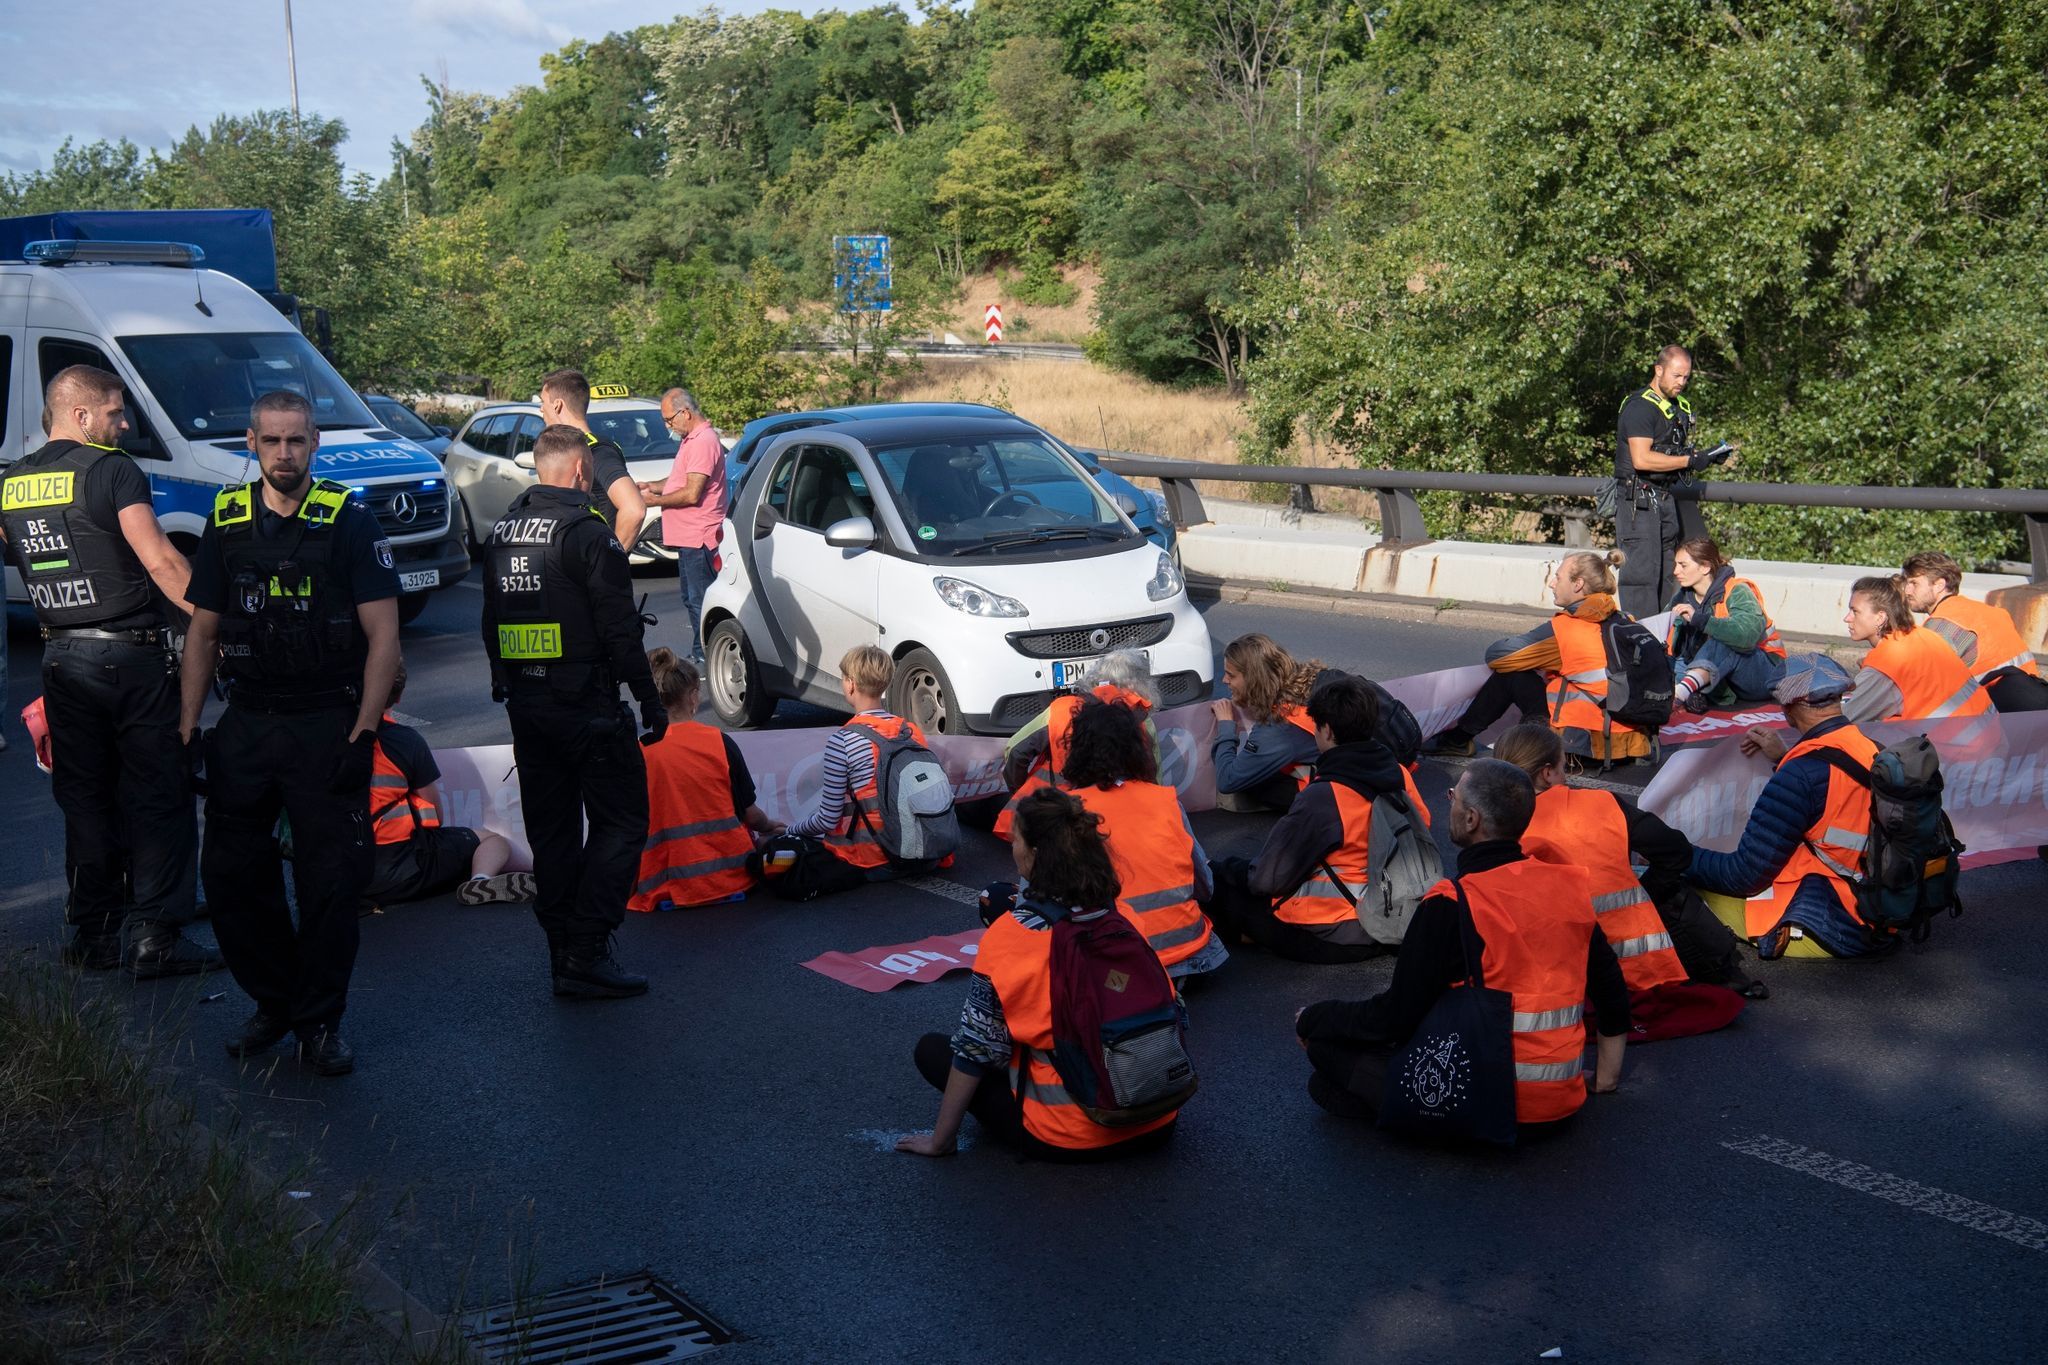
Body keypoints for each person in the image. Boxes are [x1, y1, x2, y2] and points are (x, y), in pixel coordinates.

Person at [180, 389, 402, 1076]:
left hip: (325, 723)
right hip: (247, 724)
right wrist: (186, 729)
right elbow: (203, 634)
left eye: (296, 440)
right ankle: (276, 1001)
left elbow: (384, 639)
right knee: (230, 875)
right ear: (251, 443)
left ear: (314, 443)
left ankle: (320, 1022)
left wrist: (364, 734)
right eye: (272, 440)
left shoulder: (350, 520)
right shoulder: (227, 520)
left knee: (330, 882)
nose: (284, 453)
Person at [0, 365, 214, 976]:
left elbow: (21, 552)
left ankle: (94, 933)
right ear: (82, 414)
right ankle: (155, 935)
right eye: (116, 412)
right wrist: (219, 622)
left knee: (88, 799)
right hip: (129, 657)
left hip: (60, 660)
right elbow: (163, 562)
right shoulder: (112, 470)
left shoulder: (12, 482)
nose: (123, 424)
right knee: (158, 792)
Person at [1294, 759, 1629, 1128]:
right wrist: (1606, 1079)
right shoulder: (1567, 887)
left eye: (1453, 797)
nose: (1449, 803)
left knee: (1326, 1051)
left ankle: (1421, 1114)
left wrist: (1314, 1017)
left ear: (1471, 819)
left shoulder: (1452, 902)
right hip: (1561, 1104)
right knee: (1331, 1082)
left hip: (1488, 1101)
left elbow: (1393, 1017)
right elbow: (1610, 987)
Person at [481, 423, 664, 999]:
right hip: (587, 708)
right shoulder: (588, 533)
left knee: (553, 834)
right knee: (623, 822)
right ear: (583, 471)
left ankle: (562, 953)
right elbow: (618, 630)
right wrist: (650, 698)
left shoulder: (503, 531)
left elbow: (489, 619)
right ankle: (586, 948)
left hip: (527, 709)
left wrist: (504, 683)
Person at [900, 788, 1181, 1161]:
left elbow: (976, 1050)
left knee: (934, 1050)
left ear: (1034, 854)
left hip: (1067, 1135)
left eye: (1016, 839)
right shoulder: (1125, 918)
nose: (1012, 848)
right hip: (1157, 1119)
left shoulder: (1010, 935)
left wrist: (940, 1142)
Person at [1493, 722, 1767, 1001]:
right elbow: (1676, 852)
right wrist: (1645, 892)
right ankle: (1723, 973)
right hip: (1632, 970)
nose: (1568, 775)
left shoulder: (1494, 826)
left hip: (1544, 976)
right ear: (1547, 774)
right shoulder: (1599, 803)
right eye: (1565, 768)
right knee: (1672, 890)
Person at [1206, 676, 1430, 964]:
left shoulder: (1326, 796)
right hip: (1395, 915)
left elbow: (1267, 879)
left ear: (1327, 731)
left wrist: (1222, 869)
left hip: (1338, 932)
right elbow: (1422, 827)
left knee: (1214, 886)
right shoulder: (1400, 774)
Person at [1687, 654, 1894, 959]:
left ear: (1787, 707)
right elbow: (1833, 802)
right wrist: (1783, 758)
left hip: (1831, 924)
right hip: (1882, 911)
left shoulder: (1801, 775)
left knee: (1670, 879)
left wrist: (1677, 852)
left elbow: (1743, 876)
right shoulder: (1873, 749)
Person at [1424, 550, 1654, 764]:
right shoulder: (1625, 619)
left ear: (1578, 584)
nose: (1552, 583)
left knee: (1512, 676)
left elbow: (1497, 656)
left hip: (1583, 746)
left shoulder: (1568, 629)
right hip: (1633, 743)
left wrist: (1537, 656)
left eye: (1558, 577)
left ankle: (1458, 740)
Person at [1059, 698, 1225, 980]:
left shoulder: (1068, 811)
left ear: (1077, 750)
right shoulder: (1165, 800)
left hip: (1119, 969)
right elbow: (1205, 886)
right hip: (1193, 957)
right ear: (1137, 748)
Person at [771, 644, 941, 900]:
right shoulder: (910, 731)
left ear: (850, 684)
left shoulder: (843, 741)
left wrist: (790, 830)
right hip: (925, 853)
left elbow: (827, 820)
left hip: (875, 860)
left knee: (780, 852)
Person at [362, 661, 528, 911]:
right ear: (399, 696)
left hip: (345, 871)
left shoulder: (332, 738)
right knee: (492, 841)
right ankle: (479, 880)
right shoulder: (405, 741)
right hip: (402, 870)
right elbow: (434, 813)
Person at [631, 648, 782, 911]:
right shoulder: (719, 743)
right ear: (692, 697)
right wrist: (770, 827)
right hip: (731, 875)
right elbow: (751, 815)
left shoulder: (641, 751)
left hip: (662, 882)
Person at [995, 648, 1158, 838]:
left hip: (1050, 815)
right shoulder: (1142, 722)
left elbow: (1016, 750)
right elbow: (1152, 780)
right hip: (1116, 820)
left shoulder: (1061, 710)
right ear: (1141, 685)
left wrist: (1018, 791)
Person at [1614, 344, 1719, 618]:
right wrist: (1688, 461)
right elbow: (1642, 459)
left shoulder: (1674, 408)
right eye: (1676, 375)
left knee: (1667, 578)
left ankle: (1662, 639)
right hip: (1637, 505)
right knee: (1641, 581)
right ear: (1658, 370)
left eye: (1686, 377)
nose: (1681, 382)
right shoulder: (1640, 408)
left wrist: (1703, 457)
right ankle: (1639, 640)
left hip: (1664, 499)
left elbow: (1669, 454)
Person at [1840, 576, 1995, 747]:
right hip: (1992, 741)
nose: (1847, 618)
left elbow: (1842, 717)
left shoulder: (1886, 664)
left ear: (1880, 618)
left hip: (1955, 755)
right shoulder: (1925, 635)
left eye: (1855, 611)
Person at [637, 388, 726, 666]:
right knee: (692, 599)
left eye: (669, 419)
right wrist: (653, 486)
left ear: (685, 412)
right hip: (689, 538)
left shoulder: (702, 442)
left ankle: (708, 656)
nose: (667, 426)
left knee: (700, 600)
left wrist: (655, 500)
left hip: (699, 537)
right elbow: (680, 480)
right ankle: (701, 651)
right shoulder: (692, 440)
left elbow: (691, 493)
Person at [1899, 551, 2048, 712]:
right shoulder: (1992, 611)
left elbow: (1921, 683)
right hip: (2034, 701)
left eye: (1914, 583)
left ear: (1939, 585)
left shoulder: (1941, 625)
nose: (1907, 590)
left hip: (2000, 713)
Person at [1666, 536, 1786, 712]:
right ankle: (1690, 691)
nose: (1676, 571)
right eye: (1675, 564)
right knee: (1661, 660)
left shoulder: (1737, 590)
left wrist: (1700, 619)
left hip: (1763, 673)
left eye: (1683, 565)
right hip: (1716, 672)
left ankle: (1681, 693)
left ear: (1705, 567)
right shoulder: (1681, 597)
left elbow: (1745, 636)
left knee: (1722, 641)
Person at [538, 368, 649, 556]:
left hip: (590, 563)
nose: (541, 408)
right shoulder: (573, 448)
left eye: (543, 402)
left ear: (557, 405)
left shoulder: (595, 450)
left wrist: (610, 558)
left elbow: (634, 509)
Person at [1209, 633, 1323, 810]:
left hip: (1343, 794)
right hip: (1359, 767)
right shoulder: (1315, 680)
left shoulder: (1278, 727)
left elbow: (1227, 780)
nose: (1224, 680)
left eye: (1231, 675)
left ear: (1253, 680)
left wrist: (1225, 725)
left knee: (1251, 782)